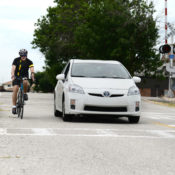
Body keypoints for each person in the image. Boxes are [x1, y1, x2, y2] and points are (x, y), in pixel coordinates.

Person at [11, 49, 35, 114]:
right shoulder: (16, 60)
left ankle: (24, 93)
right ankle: (14, 106)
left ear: (26, 55)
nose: (23, 56)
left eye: (24, 55)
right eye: (22, 55)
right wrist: (13, 75)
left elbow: (32, 69)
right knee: (15, 89)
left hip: (24, 76)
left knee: (25, 82)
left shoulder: (29, 61)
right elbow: (13, 68)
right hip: (17, 76)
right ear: (20, 55)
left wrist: (32, 75)